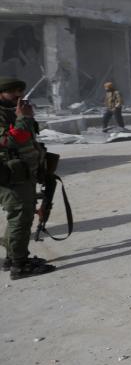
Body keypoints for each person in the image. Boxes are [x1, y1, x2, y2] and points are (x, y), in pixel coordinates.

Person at [0, 77, 55, 279]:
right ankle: (19, 265)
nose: (19, 95)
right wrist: (23, 118)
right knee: (20, 217)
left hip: (23, 173)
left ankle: (12, 258)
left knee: (21, 216)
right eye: (13, 92)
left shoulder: (12, 111)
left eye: (20, 91)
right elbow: (10, 141)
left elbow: (28, 141)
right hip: (9, 175)